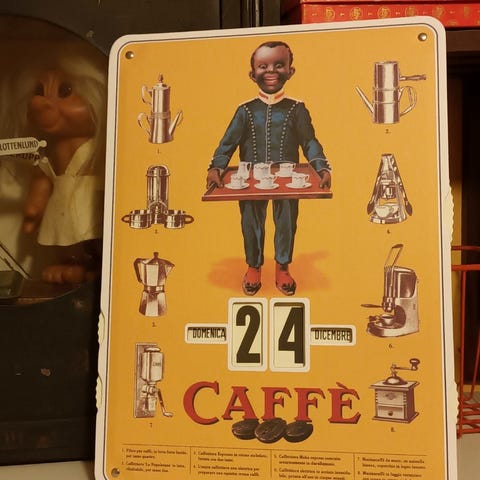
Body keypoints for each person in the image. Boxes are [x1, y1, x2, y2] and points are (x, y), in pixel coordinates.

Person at [206, 40, 331, 296]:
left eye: (279, 65)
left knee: (286, 222)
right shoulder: (245, 110)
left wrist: (321, 167)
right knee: (250, 221)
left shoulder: (297, 108)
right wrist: (216, 168)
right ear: (252, 75)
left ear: (290, 71)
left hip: (288, 179)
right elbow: (227, 143)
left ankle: (282, 268)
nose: (271, 71)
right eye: (263, 66)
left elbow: (309, 142)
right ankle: (253, 267)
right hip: (250, 179)